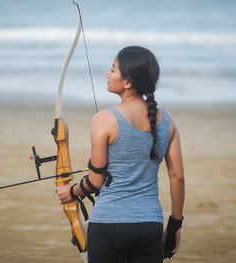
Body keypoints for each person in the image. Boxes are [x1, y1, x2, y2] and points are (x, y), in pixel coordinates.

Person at [56, 46, 185, 263]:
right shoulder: (168, 121)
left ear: (128, 82)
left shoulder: (104, 119)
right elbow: (177, 177)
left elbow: (96, 180)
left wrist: (72, 192)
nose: (108, 74)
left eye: (113, 69)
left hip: (109, 225)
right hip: (150, 226)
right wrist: (174, 226)